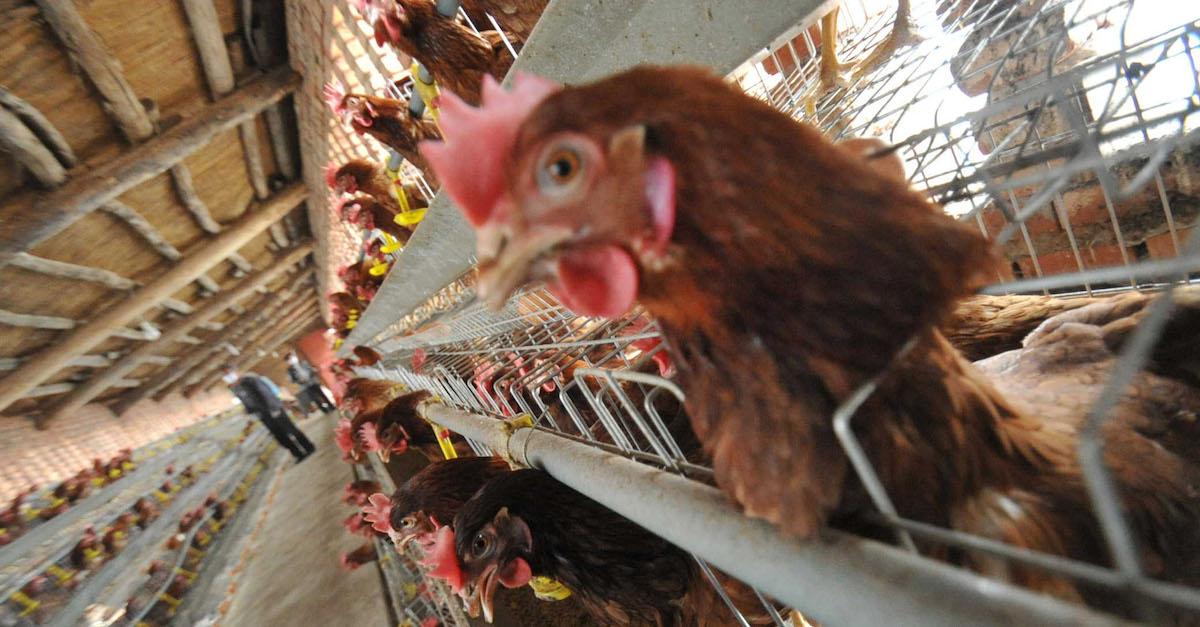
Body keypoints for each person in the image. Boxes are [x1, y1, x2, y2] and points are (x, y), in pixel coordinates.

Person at [223, 366, 316, 462]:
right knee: (280, 436)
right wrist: (249, 413)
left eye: (229, 373)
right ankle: (298, 454)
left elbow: (265, 393)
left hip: (273, 409)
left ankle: (308, 447)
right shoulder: (236, 388)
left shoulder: (251, 380)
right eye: (225, 375)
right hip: (263, 415)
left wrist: (274, 409)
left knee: (291, 430)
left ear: (236, 371)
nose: (228, 376)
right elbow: (246, 402)